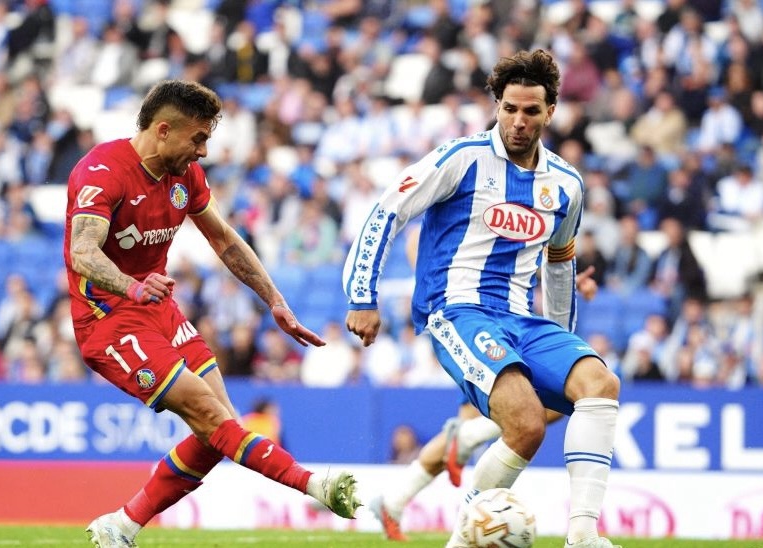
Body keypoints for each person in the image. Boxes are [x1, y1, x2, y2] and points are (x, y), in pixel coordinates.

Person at [344, 50, 621, 548]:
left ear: (550, 111)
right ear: (496, 105)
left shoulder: (566, 185)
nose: (518, 121)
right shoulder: (462, 158)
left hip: (521, 320)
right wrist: (362, 295)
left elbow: (560, 263)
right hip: (457, 312)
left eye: (530, 111)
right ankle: (462, 537)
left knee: (599, 383)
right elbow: (388, 210)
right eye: (509, 108)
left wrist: (562, 338)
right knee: (524, 422)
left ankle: (583, 536)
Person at [65, 80, 360, 548]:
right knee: (210, 417)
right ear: (163, 131)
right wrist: (133, 286)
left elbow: (223, 239)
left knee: (219, 428)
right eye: (198, 138)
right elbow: (84, 252)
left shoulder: (184, 176)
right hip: (109, 320)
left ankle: (120, 526)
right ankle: (313, 485)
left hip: (157, 309)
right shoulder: (102, 171)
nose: (203, 151)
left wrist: (275, 302)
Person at [370, 266, 600, 542]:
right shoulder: (431, 230)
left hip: (504, 325)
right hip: (470, 327)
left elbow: (505, 262)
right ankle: (400, 497)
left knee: (549, 408)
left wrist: (562, 281)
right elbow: (438, 266)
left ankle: (395, 499)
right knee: (517, 417)